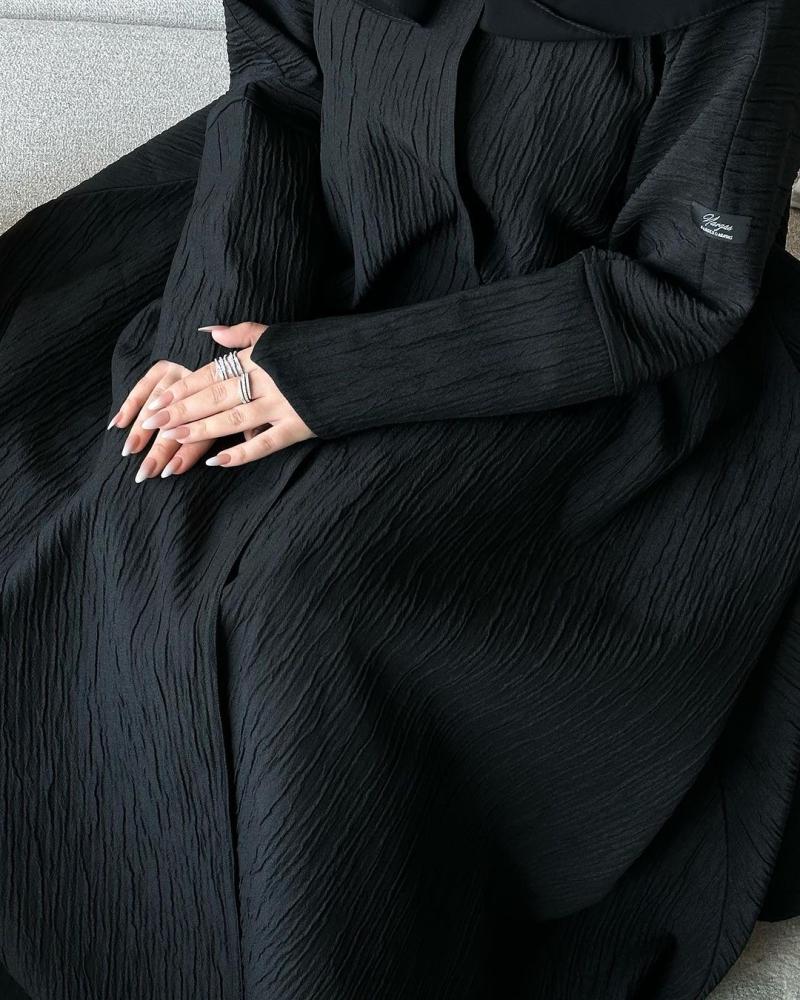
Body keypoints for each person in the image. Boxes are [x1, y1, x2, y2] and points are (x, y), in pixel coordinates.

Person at [1, 0, 800, 997]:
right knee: (104, 504)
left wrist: (333, 379)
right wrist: (214, 342)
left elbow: (676, 283)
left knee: (297, 610)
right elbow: (277, 94)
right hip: (338, 262)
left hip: (588, 365)